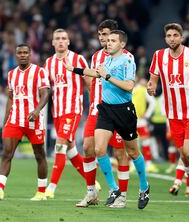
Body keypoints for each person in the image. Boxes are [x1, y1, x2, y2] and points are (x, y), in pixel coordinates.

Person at [66, 30, 150, 209]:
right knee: (98, 149)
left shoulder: (128, 60)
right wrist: (73, 69)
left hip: (124, 111)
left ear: (122, 44)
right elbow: (96, 73)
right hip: (105, 109)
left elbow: (129, 86)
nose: (108, 43)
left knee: (133, 152)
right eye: (108, 40)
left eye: (113, 40)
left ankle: (144, 187)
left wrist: (108, 76)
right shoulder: (107, 60)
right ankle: (114, 189)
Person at [147, 23, 189, 208]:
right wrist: (151, 87)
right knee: (185, 159)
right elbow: (153, 80)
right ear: (165, 38)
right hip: (173, 114)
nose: (172, 38)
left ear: (182, 37)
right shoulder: (159, 56)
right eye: (169, 35)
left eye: (175, 35)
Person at [76, 19, 132, 208]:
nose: (102, 38)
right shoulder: (96, 56)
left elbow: (127, 85)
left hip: (117, 110)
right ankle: (92, 193)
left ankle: (121, 196)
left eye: (106, 34)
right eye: (100, 35)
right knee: (88, 148)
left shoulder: (125, 57)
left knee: (120, 153)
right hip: (97, 110)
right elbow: (93, 83)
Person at [0, 44, 50, 201]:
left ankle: (41, 192)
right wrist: (5, 120)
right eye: (19, 53)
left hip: (34, 121)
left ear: (30, 54)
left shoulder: (39, 71)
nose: (23, 55)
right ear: (16, 55)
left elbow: (45, 94)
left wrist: (36, 111)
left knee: (39, 155)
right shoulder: (12, 74)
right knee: (7, 153)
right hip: (15, 120)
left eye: (25, 52)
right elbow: (11, 98)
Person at [43, 29, 91, 199]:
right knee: (70, 151)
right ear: (53, 43)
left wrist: (95, 105)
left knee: (60, 144)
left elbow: (90, 82)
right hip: (57, 112)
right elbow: (45, 88)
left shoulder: (78, 59)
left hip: (73, 110)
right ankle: (92, 182)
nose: (61, 41)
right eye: (57, 38)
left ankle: (51, 188)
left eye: (64, 38)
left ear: (69, 42)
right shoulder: (48, 63)